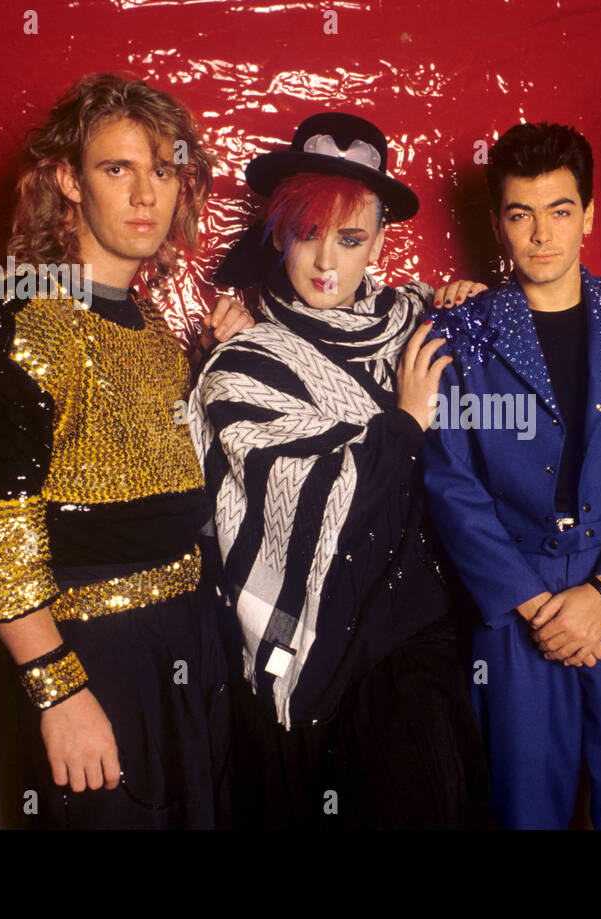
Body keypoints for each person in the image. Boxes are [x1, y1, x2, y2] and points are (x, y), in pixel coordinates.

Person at [0, 73, 251, 829]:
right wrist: (59, 690)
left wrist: (219, 366)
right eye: (118, 169)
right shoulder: (9, 324)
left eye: (163, 170)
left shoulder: (153, 329)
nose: (146, 194)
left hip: (191, 645)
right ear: (69, 182)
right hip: (94, 659)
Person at [190, 112, 490, 828]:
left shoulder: (424, 322)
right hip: (316, 656)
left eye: (351, 239)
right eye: (308, 232)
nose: (328, 260)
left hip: (422, 642)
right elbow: (292, 497)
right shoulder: (244, 358)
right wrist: (405, 426)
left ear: (380, 243)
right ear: (278, 230)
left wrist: (482, 313)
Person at [421, 121, 601, 829]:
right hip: (516, 603)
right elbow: (451, 483)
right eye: (521, 214)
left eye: (560, 211)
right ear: (497, 224)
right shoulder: (459, 330)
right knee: (520, 808)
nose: (542, 234)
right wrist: (535, 605)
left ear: (590, 214)